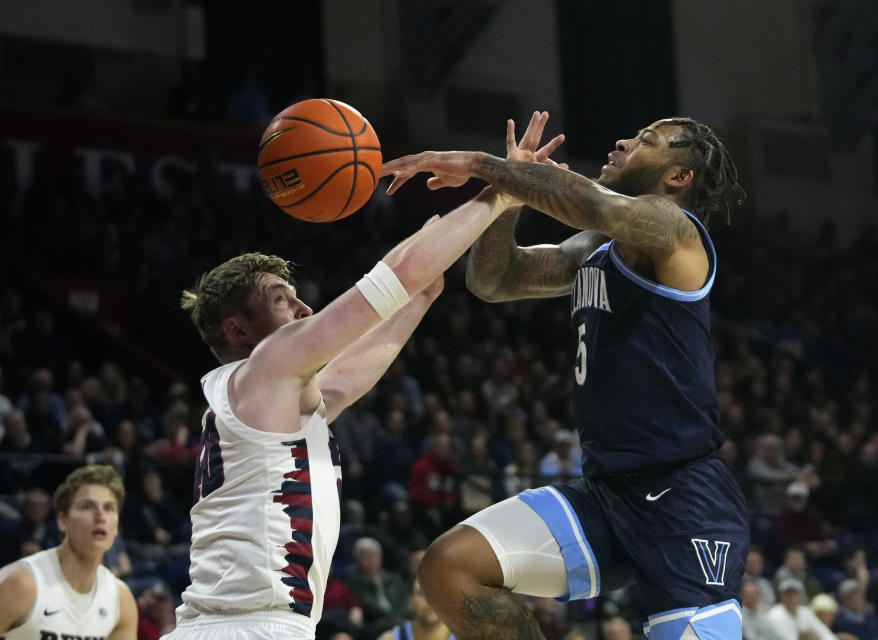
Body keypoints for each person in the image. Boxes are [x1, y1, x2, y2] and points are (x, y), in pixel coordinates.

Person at [163, 113, 564, 640]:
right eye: (282, 300)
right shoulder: (267, 363)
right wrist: (502, 191)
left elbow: (367, 351)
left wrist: (423, 289)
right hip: (245, 629)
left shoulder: (271, 399)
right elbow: (397, 276)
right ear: (237, 329)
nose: (305, 307)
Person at [383, 112, 749, 639]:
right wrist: (505, 195)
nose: (622, 139)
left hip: (683, 499)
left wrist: (484, 166)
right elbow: (495, 280)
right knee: (452, 566)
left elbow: (591, 203)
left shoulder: (675, 232)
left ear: (678, 177)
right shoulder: (594, 249)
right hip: (605, 494)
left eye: (645, 140)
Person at [0, 464, 138, 639]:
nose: (101, 517)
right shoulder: (21, 583)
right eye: (87, 507)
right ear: (62, 521)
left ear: (116, 526)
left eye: (109, 508)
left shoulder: (120, 599)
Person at [377, 579, 455, 640]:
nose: (429, 601)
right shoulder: (390, 638)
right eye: (421, 593)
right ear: (411, 602)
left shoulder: (465, 636)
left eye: (436, 593)